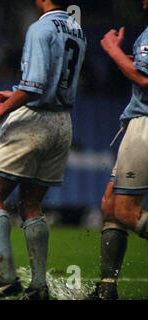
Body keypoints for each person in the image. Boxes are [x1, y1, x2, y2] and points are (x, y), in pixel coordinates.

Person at [0, 0, 86, 300]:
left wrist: (2, 111)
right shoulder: (77, 30)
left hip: (33, 121)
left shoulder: (40, 28)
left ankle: (8, 279)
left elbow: (34, 87)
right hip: (62, 123)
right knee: (30, 206)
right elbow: (54, 81)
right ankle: (39, 287)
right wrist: (15, 93)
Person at [90, 0, 148, 300]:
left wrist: (112, 51)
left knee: (124, 211)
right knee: (110, 205)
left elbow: (144, 78)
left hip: (146, 125)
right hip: (138, 123)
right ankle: (106, 288)